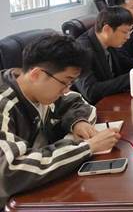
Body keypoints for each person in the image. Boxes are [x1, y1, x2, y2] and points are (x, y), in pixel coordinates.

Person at [0, 34, 120, 207]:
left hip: (37, 190)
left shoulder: (37, 88)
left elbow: (78, 102)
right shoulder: (4, 105)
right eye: (65, 82)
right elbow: (9, 172)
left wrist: (78, 121)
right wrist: (87, 147)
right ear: (36, 74)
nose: (65, 90)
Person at [74, 7, 133, 104]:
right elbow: (91, 92)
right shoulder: (81, 50)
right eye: (124, 32)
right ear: (107, 29)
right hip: (97, 108)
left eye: (130, 31)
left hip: (113, 100)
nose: (128, 37)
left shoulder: (109, 41)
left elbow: (123, 61)